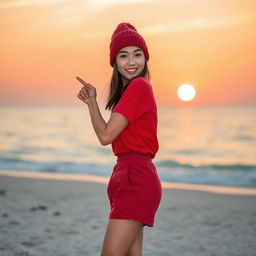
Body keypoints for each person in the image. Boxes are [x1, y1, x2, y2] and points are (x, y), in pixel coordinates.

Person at [76, 22, 162, 256]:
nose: (131, 61)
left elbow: (105, 136)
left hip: (136, 177)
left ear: (146, 58)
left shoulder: (140, 87)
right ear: (114, 62)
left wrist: (93, 103)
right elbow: (106, 134)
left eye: (138, 54)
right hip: (126, 175)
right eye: (123, 56)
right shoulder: (128, 93)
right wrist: (92, 102)